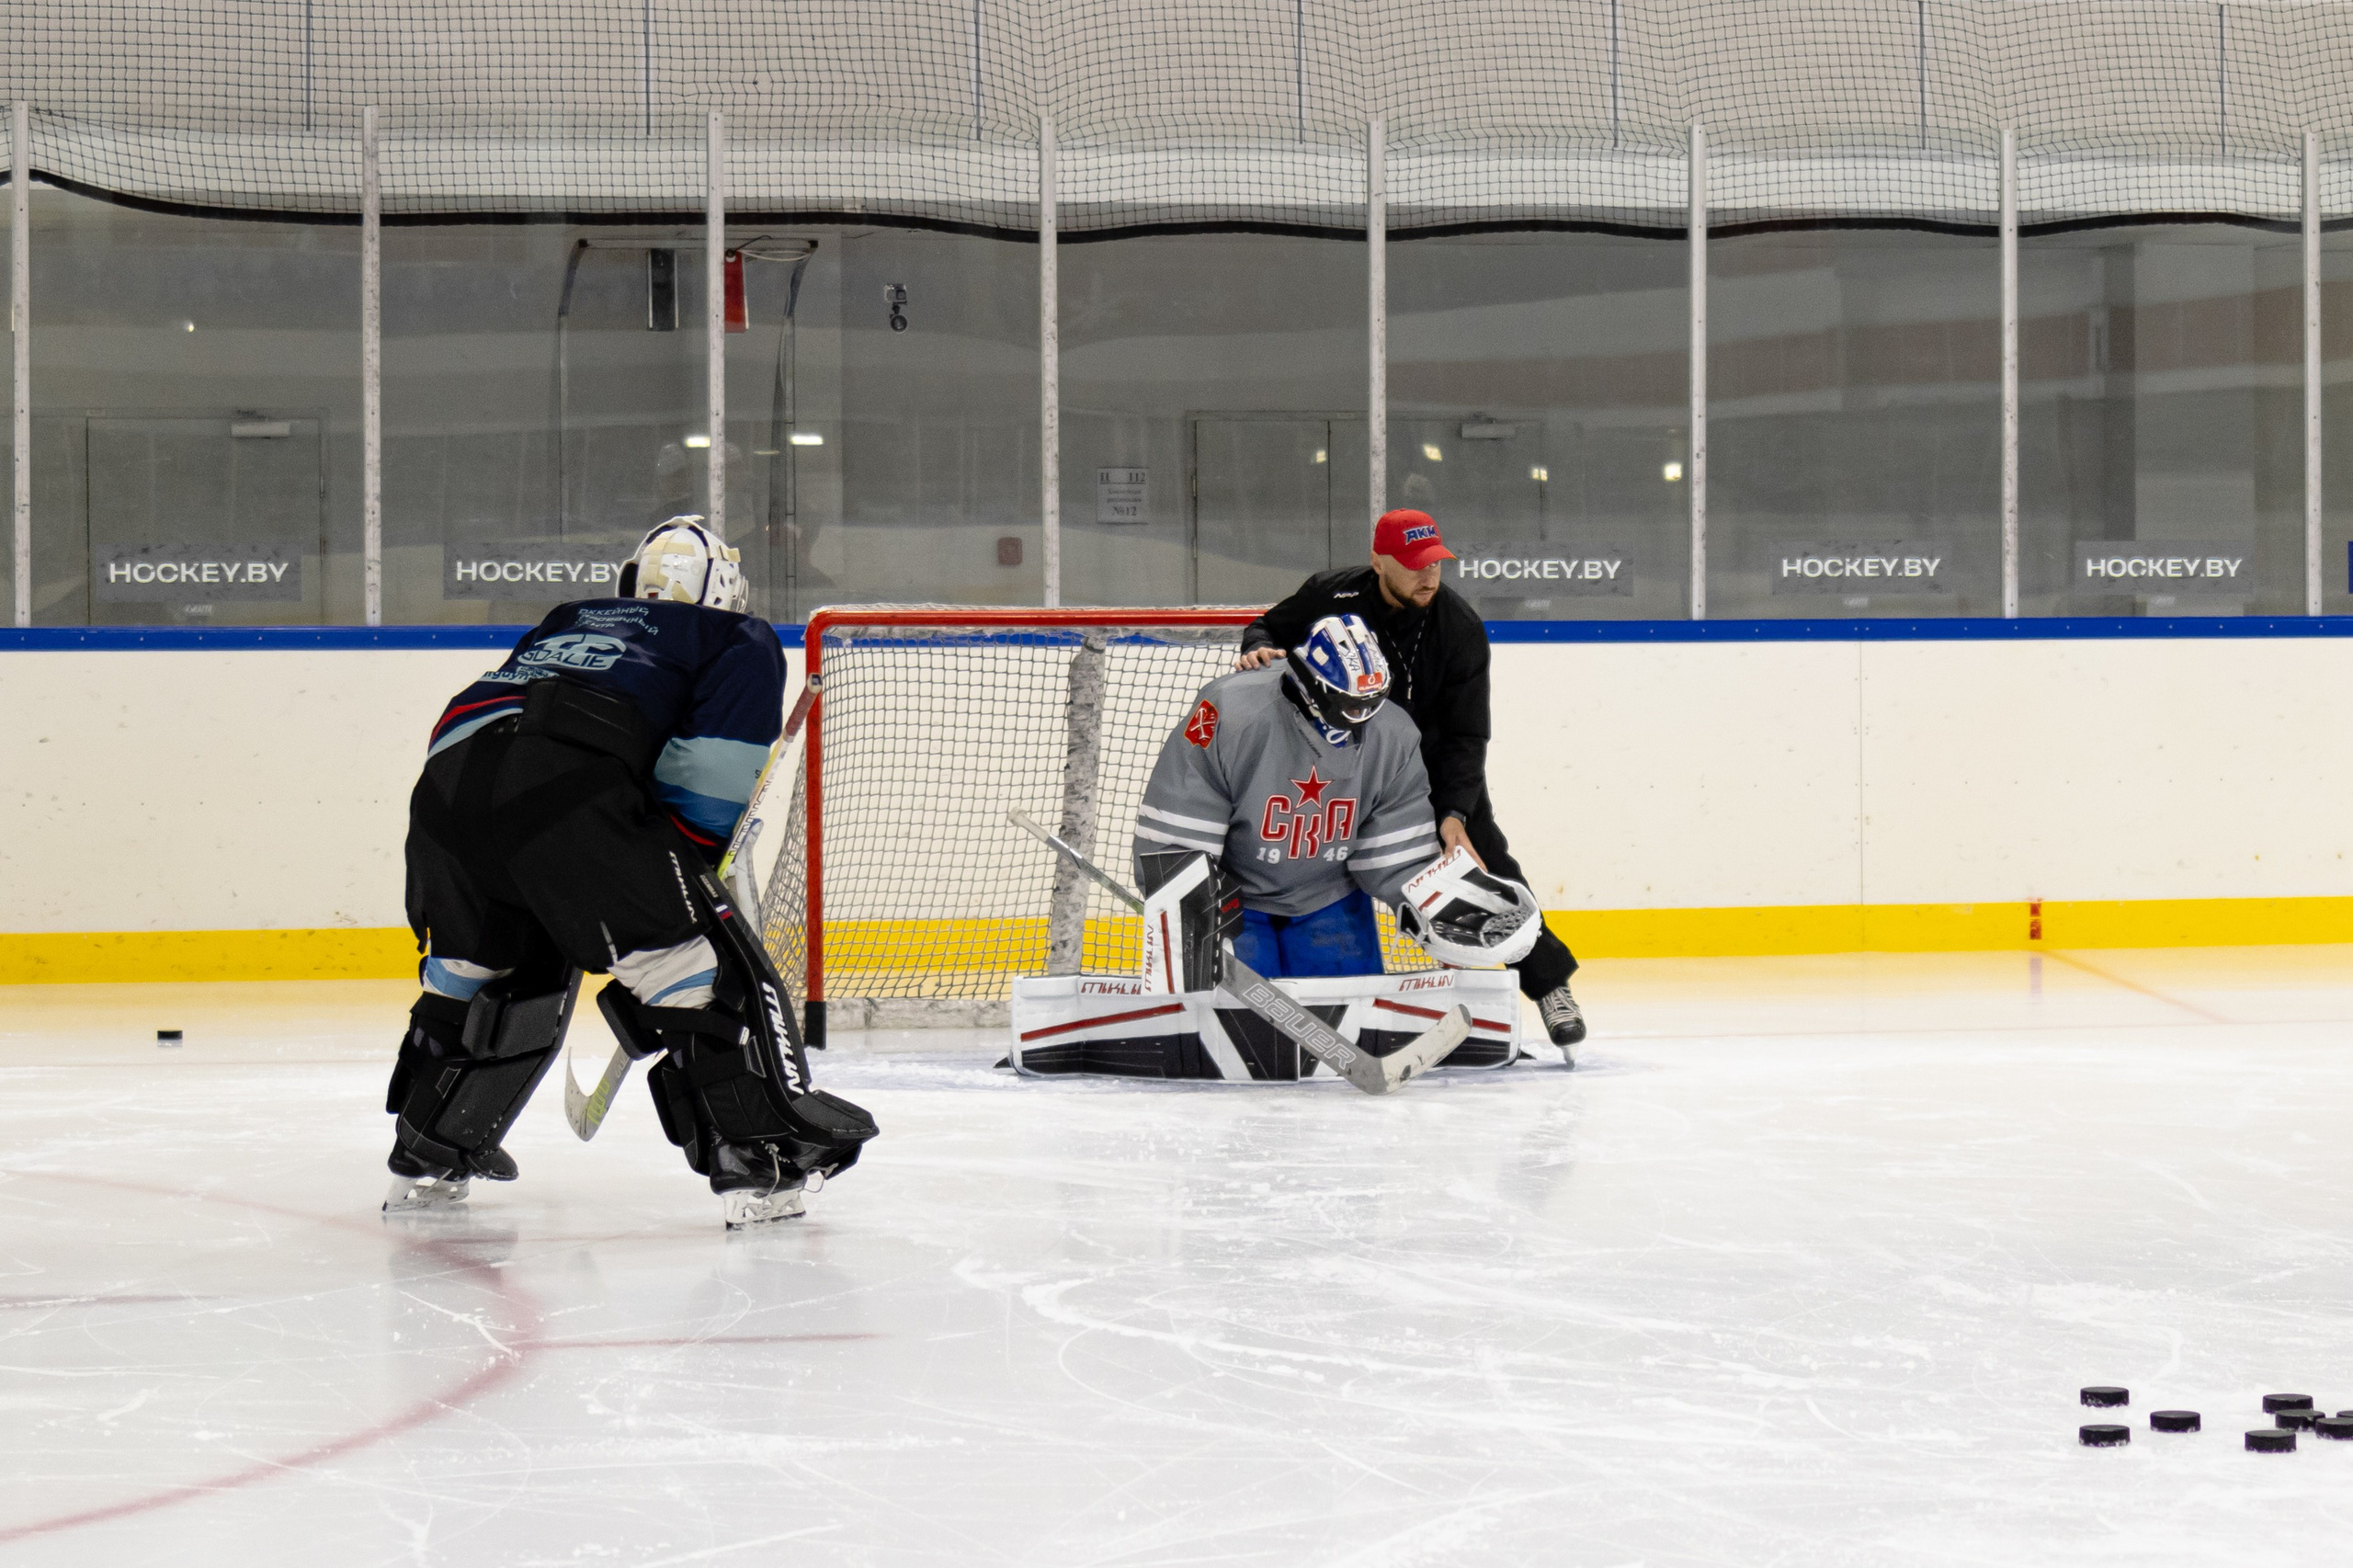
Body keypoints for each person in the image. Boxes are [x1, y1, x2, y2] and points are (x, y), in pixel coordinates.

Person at [382, 517, 875, 1228]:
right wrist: (674, 863)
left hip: (447, 791)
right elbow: (712, 770)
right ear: (729, 591)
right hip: (562, 791)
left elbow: (502, 712)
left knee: (472, 971)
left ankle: (424, 1155)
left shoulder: (565, 620)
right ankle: (755, 1165)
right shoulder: (735, 636)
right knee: (695, 973)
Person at [1237, 508, 1586, 1055]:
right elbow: (1269, 625)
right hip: (1343, 764)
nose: (1428, 576)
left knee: (1482, 857)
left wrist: (1453, 815)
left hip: (1427, 767)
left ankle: (1549, 985)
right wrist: (1255, 645)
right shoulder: (1335, 595)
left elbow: (1468, 736)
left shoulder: (1460, 628)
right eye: (1413, 564)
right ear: (1378, 562)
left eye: (1435, 565)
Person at [1133, 613, 1537, 982]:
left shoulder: (1394, 735)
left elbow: (1394, 851)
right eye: (1352, 703)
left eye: (1374, 700)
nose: (1367, 715)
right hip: (1233, 902)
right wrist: (1190, 906)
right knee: (1235, 1041)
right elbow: (1178, 830)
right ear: (1313, 687)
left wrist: (1431, 902)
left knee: (1353, 1025)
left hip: (1330, 900)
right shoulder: (1230, 711)